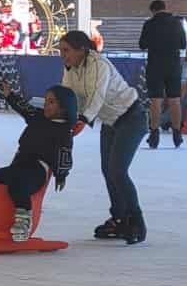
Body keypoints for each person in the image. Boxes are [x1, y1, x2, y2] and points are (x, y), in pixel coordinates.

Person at [60, 30, 148, 244]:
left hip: (131, 118)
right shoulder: (71, 68)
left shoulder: (99, 65)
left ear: (82, 49)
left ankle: (136, 222)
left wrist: (82, 119)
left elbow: (96, 96)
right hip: (110, 122)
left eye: (66, 50)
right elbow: (68, 95)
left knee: (118, 171)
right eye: (61, 51)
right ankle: (119, 218)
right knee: (108, 171)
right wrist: (59, 118)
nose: (63, 55)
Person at [0, 83, 77, 240]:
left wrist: (61, 175)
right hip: (18, 165)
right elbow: (24, 108)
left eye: (51, 102)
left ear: (63, 107)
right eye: (45, 101)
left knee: (18, 186)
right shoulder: (38, 116)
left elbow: (65, 156)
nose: (46, 105)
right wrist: (10, 95)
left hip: (37, 171)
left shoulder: (64, 132)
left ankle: (23, 223)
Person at [138, 0, 187, 149]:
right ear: (166, 8)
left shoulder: (149, 24)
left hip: (155, 65)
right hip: (173, 65)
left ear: (152, 10)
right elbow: (183, 44)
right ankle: (177, 133)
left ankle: (154, 134)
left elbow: (142, 45)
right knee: (175, 99)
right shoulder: (177, 23)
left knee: (156, 100)